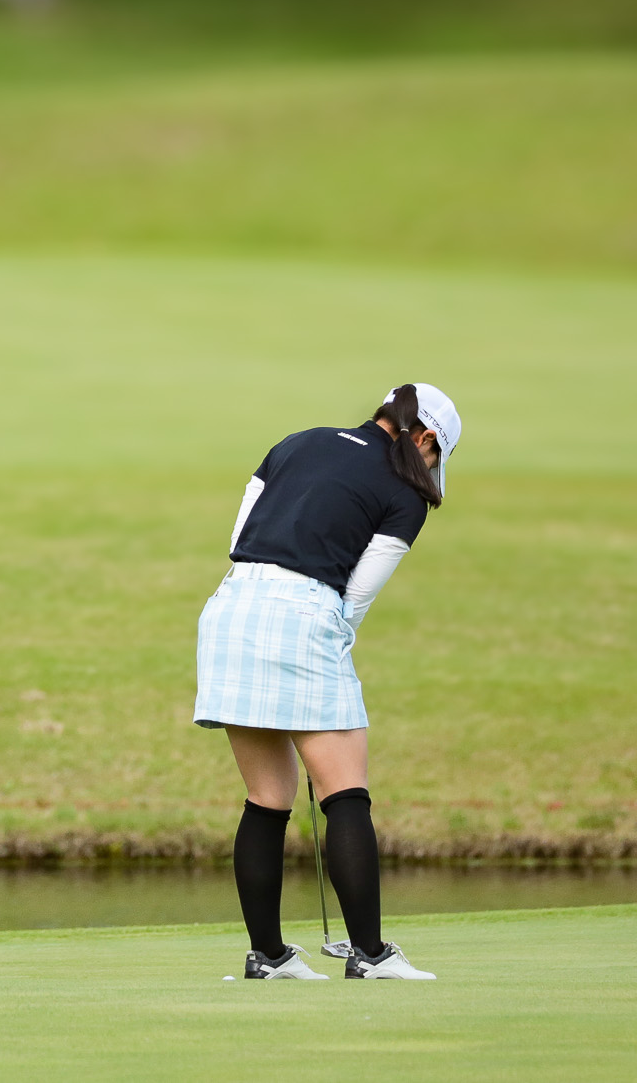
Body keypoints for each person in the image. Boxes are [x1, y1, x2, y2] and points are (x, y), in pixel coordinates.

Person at [194, 383, 461, 981]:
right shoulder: (406, 494)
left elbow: (241, 535)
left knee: (267, 798)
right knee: (345, 791)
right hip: (304, 612)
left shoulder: (297, 442)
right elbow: (357, 597)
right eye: (436, 456)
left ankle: (268, 957)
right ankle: (369, 955)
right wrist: (329, 641)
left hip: (230, 607)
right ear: (423, 438)